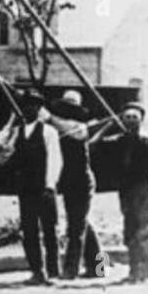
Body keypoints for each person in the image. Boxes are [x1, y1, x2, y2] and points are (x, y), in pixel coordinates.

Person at [0, 87, 62, 285]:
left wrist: (50, 185)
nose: (29, 109)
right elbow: (0, 143)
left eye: (33, 105)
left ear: (39, 108)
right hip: (26, 190)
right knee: (30, 231)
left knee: (49, 231)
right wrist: (10, 122)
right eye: (25, 106)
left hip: (44, 188)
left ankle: (53, 273)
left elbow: (55, 159)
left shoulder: (48, 131)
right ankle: (37, 271)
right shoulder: (18, 132)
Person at [44, 90, 105, 278]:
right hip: (70, 182)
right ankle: (98, 268)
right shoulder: (57, 127)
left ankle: (71, 270)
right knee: (81, 222)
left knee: (75, 227)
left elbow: (68, 128)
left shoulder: (79, 127)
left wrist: (49, 116)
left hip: (82, 182)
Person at [91, 101, 148, 284]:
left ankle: (137, 271)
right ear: (122, 120)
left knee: (143, 233)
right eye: (127, 117)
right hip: (126, 192)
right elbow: (92, 145)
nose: (131, 121)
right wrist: (107, 125)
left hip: (145, 192)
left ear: (141, 120)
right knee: (130, 231)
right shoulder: (117, 142)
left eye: (134, 117)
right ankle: (144, 268)